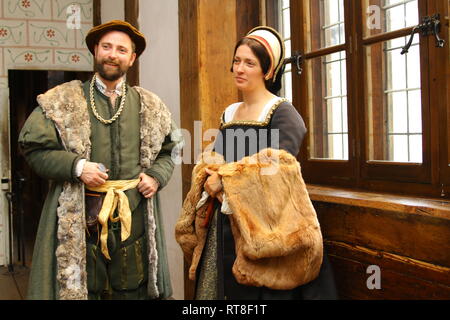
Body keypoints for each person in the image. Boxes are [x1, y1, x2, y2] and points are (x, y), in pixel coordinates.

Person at [19, 20, 181, 300]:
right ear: (95, 50)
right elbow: (33, 148)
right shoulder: (62, 100)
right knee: (84, 288)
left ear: (132, 58)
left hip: (136, 220)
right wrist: (76, 167)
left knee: (133, 288)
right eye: (106, 47)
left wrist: (156, 175)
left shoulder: (151, 106)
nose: (112, 54)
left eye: (121, 49)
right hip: (80, 219)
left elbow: (172, 148)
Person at [193, 26, 338, 299]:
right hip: (226, 220)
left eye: (250, 63)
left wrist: (224, 180)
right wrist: (209, 171)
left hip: (269, 224)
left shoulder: (283, 113)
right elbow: (217, 155)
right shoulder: (230, 112)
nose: (240, 68)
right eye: (237, 61)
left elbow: (278, 170)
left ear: (268, 70)